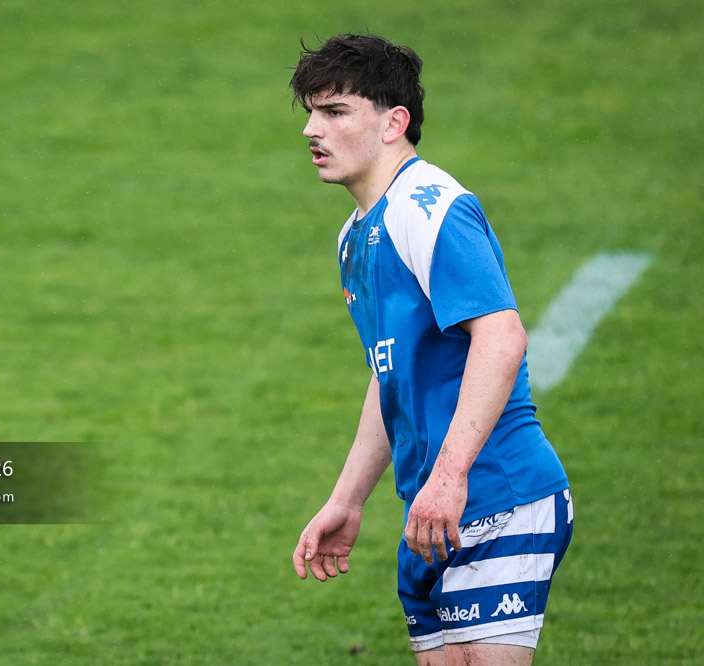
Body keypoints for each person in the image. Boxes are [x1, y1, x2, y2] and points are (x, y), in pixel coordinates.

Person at [288, 33, 573, 666]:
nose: (312, 129)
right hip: (434, 514)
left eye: (334, 112)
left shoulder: (431, 208)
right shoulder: (356, 236)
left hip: (497, 496)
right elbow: (391, 375)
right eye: (311, 112)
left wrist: (448, 476)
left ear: (394, 123)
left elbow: (502, 336)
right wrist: (348, 499)